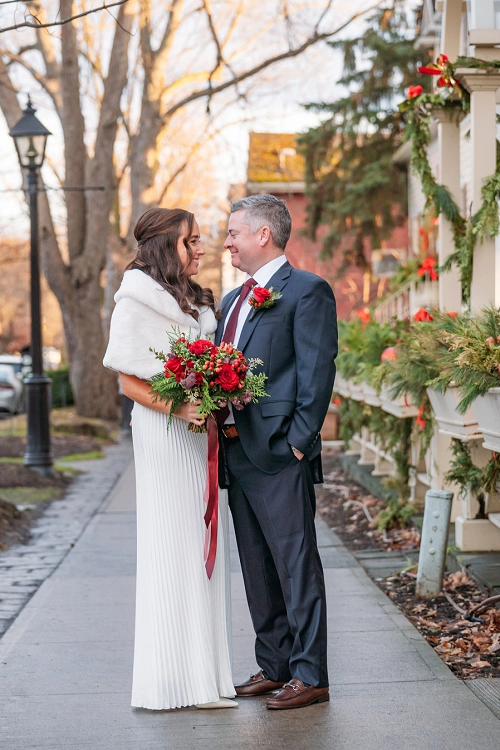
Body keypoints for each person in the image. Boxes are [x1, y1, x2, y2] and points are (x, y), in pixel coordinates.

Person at [103, 207, 237, 711]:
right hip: (164, 435)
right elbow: (129, 380)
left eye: (200, 241)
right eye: (192, 242)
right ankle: (171, 682)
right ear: (164, 245)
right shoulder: (134, 302)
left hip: (196, 434)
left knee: (205, 547)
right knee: (173, 545)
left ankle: (206, 677)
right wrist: (184, 407)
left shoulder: (198, 301)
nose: (201, 248)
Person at [216, 194, 338, 710]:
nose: (226, 242)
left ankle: (310, 675)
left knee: (296, 564)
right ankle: (275, 664)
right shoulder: (231, 300)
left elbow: (317, 373)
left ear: (262, 234)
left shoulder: (307, 291)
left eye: (233, 233)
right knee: (256, 565)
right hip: (235, 452)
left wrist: (296, 443)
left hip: (278, 453)